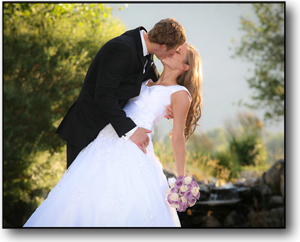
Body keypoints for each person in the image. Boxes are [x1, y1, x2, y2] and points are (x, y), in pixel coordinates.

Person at [23, 42, 203, 227]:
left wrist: (182, 180)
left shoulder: (180, 94)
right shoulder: (146, 78)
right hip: (106, 138)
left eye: (178, 51)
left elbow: (178, 137)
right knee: (81, 197)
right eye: (173, 47)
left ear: (184, 67)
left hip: (136, 148)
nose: (172, 50)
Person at [55, 18, 186, 168]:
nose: (172, 54)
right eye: (173, 50)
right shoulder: (120, 49)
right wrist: (132, 130)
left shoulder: (147, 48)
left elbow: (155, 83)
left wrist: (169, 105)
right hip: (87, 129)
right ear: (163, 46)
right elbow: (103, 95)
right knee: (79, 184)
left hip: (110, 134)